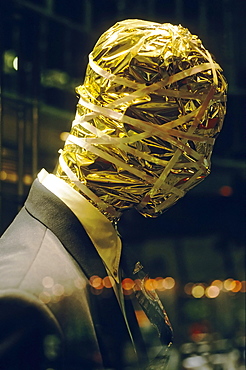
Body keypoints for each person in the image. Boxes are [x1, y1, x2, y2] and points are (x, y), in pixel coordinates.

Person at [0, 19, 227, 370]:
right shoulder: (23, 296)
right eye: (184, 142)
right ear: (120, 123)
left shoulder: (99, 245)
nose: (198, 167)